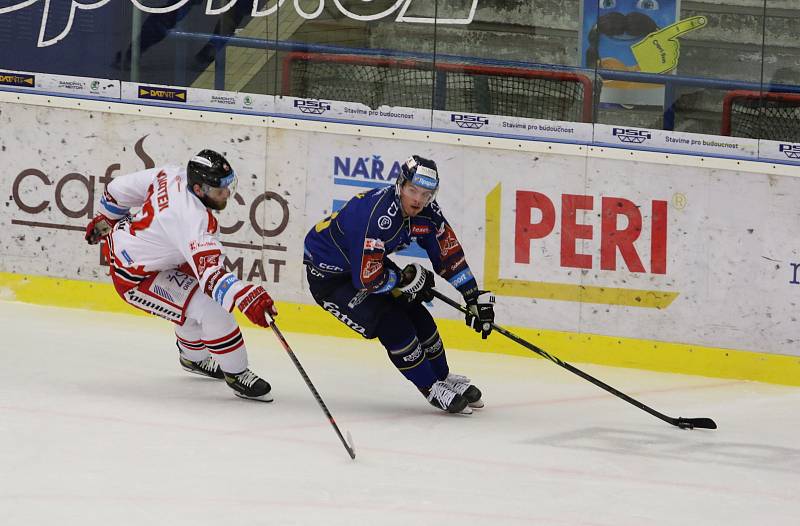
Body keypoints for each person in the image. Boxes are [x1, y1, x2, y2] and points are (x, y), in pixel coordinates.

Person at [303, 155, 496, 414]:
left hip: (367, 264)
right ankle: (430, 386)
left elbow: (448, 254)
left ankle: (442, 376)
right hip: (331, 278)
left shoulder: (427, 212)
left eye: (426, 194)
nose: (418, 200)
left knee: (416, 310)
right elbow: (366, 280)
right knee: (392, 322)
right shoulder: (378, 216)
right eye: (412, 190)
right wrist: (404, 280)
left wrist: (472, 294)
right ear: (400, 185)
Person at [84, 150, 277, 402]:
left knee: (190, 301)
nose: (227, 193)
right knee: (212, 308)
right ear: (198, 189)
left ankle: (193, 358)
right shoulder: (194, 220)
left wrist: (105, 219)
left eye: (228, 185)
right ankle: (237, 374)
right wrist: (244, 296)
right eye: (219, 189)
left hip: (140, 250)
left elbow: (117, 190)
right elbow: (211, 278)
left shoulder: (170, 174)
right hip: (136, 277)